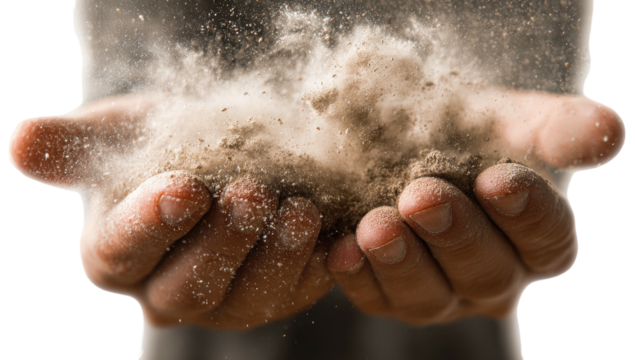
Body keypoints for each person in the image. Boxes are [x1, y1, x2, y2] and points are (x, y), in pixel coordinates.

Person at [8, 1, 626, 359]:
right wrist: (141, 122)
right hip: (205, 332)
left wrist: (511, 109)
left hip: (448, 330)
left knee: (432, 236)